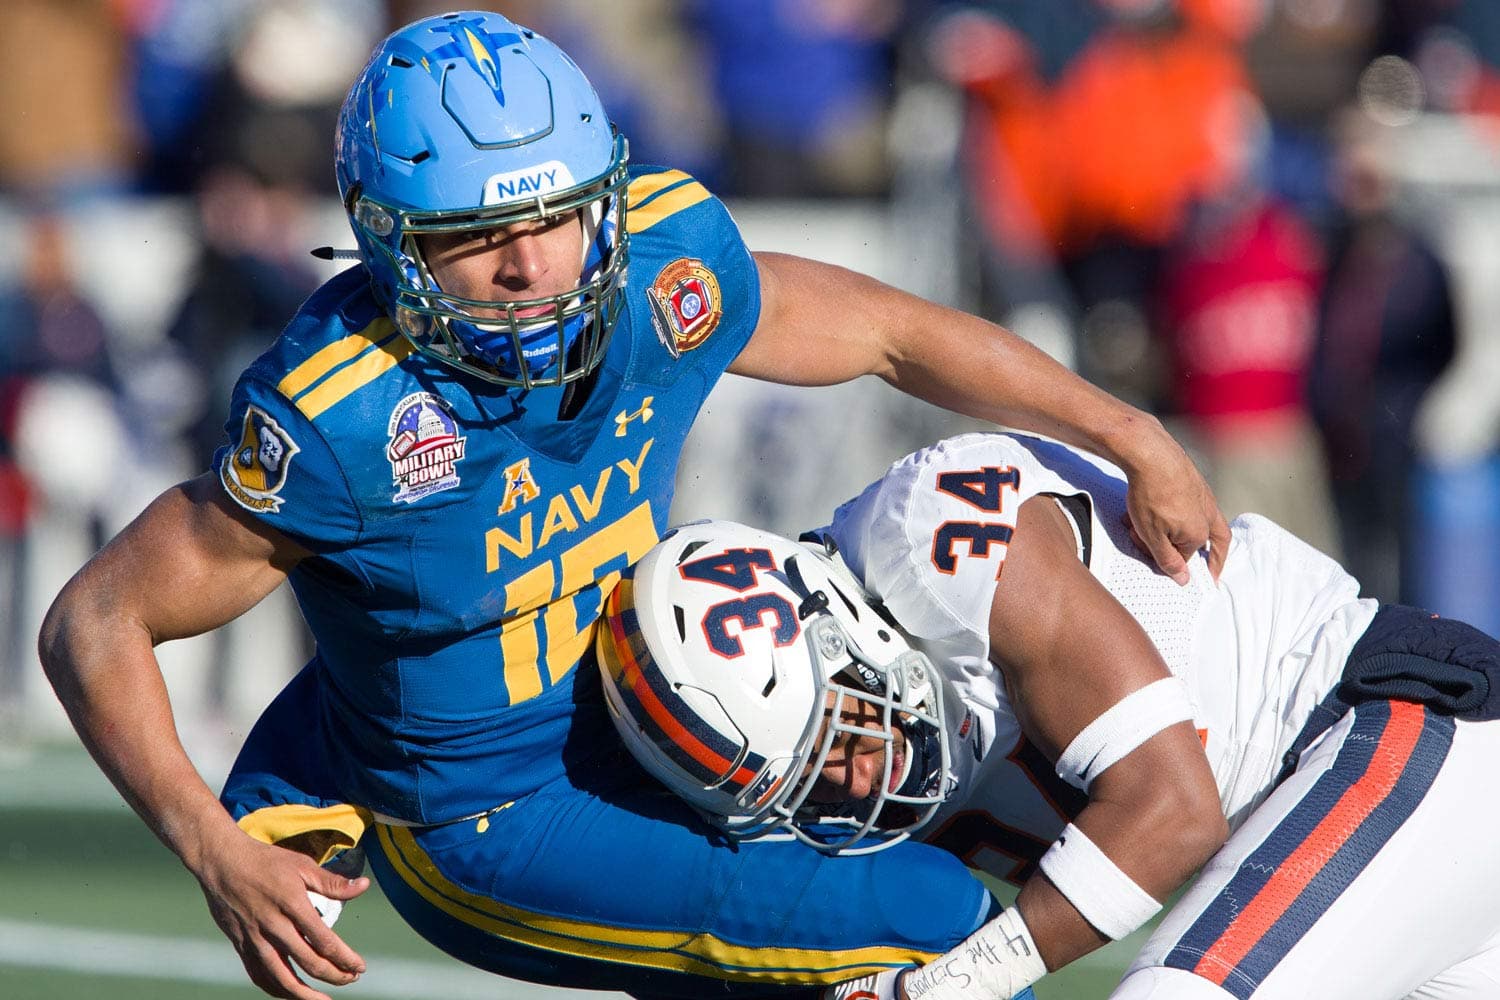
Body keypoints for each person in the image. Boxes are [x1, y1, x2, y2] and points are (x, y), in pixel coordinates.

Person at [37, 12, 1229, 1000]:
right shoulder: (347, 416)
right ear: (392, 248)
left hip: (649, 709)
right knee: (941, 922)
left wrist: (1123, 427)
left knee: (942, 825)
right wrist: (210, 843)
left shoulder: (664, 268)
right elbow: (96, 619)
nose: (534, 265)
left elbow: (893, 335)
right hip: (488, 813)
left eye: (555, 216)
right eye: (479, 237)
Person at [601, 432, 1500, 1000]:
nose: (860, 783)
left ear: (844, 630)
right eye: (816, 787)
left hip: (1395, 732)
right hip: (1381, 867)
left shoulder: (937, 545)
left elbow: (1173, 812)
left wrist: (951, 989)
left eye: (845, 736)